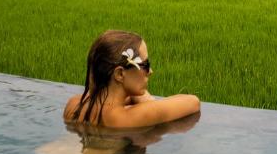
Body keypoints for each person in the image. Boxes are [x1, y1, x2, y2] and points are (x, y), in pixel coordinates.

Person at [64, 30, 200, 128]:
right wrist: (144, 99)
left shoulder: (74, 105)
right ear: (120, 74)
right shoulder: (125, 118)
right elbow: (193, 102)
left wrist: (129, 96)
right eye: (145, 65)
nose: (150, 72)